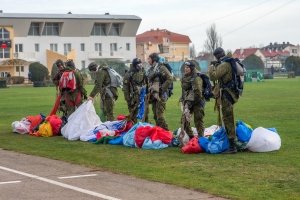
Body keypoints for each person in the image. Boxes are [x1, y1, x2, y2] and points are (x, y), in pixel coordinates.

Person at [208, 47, 239, 154]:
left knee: (228, 118)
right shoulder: (226, 63)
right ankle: (229, 143)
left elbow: (213, 77)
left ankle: (232, 146)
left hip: (226, 94)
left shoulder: (225, 65)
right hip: (227, 93)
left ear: (218, 55)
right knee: (226, 118)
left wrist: (211, 67)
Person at [146, 53, 173, 130]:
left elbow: (170, 78)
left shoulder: (161, 67)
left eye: (149, 59)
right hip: (153, 95)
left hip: (161, 95)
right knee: (155, 116)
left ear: (154, 59)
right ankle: (159, 132)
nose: (148, 60)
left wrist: (162, 89)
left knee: (160, 116)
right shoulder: (151, 69)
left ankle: (167, 133)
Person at [180, 61, 205, 139]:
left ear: (191, 68)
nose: (186, 69)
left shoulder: (196, 78)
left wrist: (193, 103)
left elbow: (198, 92)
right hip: (188, 101)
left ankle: (201, 138)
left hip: (198, 101)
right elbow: (184, 90)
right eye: (185, 67)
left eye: (187, 67)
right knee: (184, 120)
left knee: (198, 119)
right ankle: (191, 137)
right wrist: (183, 99)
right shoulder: (184, 77)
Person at [123, 58, 148, 123]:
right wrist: (128, 99)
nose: (140, 66)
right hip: (133, 98)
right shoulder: (129, 74)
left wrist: (147, 94)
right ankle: (134, 129)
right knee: (133, 114)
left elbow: (146, 83)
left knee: (144, 114)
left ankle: (144, 129)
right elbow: (126, 88)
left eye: (140, 64)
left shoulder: (142, 72)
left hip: (142, 97)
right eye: (138, 64)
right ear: (135, 65)